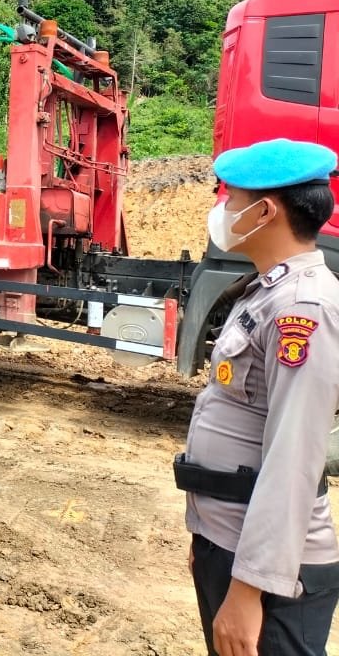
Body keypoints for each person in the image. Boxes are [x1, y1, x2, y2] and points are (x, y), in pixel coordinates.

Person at [175, 137, 339, 656]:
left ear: (264, 211)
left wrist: (249, 586)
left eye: (232, 199)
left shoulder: (303, 309)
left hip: (272, 576)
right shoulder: (267, 290)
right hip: (234, 543)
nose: (223, 210)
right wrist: (209, 536)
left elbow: (293, 458)